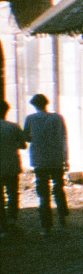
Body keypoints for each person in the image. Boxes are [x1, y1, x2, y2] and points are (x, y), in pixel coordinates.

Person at [24, 93, 68, 233]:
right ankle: (62, 216)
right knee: (58, 188)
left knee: (43, 193)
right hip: (56, 158)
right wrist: (65, 159)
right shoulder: (57, 118)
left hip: (39, 159)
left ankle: (46, 225)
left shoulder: (30, 119)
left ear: (34, 105)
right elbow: (63, 138)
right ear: (46, 103)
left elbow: (26, 137)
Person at [0, 100, 25, 234]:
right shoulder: (13, 126)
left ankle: (2, 224)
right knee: (13, 193)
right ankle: (12, 219)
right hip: (11, 165)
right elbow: (23, 145)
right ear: (6, 111)